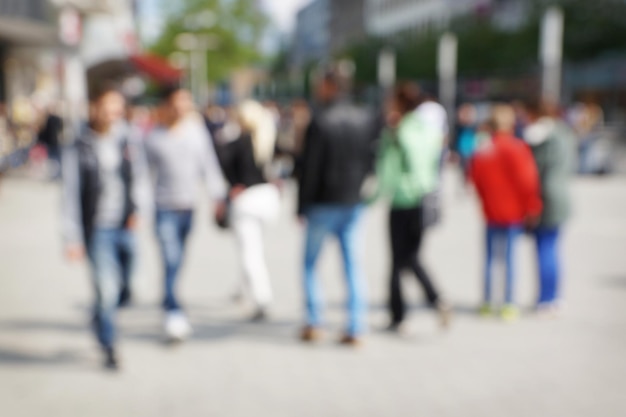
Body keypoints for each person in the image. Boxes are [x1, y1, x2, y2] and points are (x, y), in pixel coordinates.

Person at [62, 85, 142, 370]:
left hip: (124, 225)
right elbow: (70, 194)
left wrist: (138, 209)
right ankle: (109, 344)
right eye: (107, 107)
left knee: (127, 287)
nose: (112, 114)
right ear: (95, 108)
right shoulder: (79, 144)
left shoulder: (127, 139)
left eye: (117, 107)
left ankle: (100, 314)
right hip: (96, 229)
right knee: (106, 290)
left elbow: (139, 176)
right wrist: (71, 237)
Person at [297, 72, 377, 346]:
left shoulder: (320, 120)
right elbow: (371, 159)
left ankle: (314, 321)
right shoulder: (364, 117)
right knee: (353, 265)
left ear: (330, 86)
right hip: (353, 200)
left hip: (322, 201)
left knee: (309, 263)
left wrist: (300, 204)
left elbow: (310, 168)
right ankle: (356, 326)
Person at [145, 86, 227, 342]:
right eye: (177, 101)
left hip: (188, 207)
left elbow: (209, 166)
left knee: (178, 259)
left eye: (186, 101)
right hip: (163, 207)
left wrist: (217, 195)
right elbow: (142, 174)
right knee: (170, 258)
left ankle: (169, 295)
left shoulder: (197, 134)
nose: (182, 106)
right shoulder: (154, 137)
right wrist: (139, 205)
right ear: (167, 105)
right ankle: (174, 311)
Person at [373, 82, 451, 332]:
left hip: (402, 199)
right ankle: (435, 300)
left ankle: (400, 314)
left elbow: (388, 168)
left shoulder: (398, 130)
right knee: (412, 256)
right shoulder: (428, 129)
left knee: (398, 261)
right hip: (425, 197)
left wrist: (374, 196)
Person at [469, 104, 543, 321]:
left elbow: (476, 179)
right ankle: (509, 303)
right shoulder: (517, 148)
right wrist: (532, 206)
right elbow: (527, 181)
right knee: (510, 258)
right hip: (513, 212)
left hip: (491, 211)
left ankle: (487, 300)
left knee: (490, 258)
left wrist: (484, 201)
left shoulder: (484, 148)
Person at [213, 100, 281, 321]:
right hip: (267, 198)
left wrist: (234, 184)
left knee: (250, 252)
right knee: (254, 247)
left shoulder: (239, 141)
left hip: (247, 200)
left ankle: (263, 299)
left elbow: (221, 160)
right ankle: (241, 289)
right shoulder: (267, 139)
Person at [524, 100, 574, 315]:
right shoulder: (565, 133)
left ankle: (545, 298)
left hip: (545, 197)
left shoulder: (540, 135)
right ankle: (553, 296)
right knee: (552, 248)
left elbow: (534, 171)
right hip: (563, 194)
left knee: (544, 249)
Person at [37, 104, 64, 179]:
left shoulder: (50, 119)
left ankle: (55, 173)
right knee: (55, 158)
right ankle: (57, 173)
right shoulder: (57, 119)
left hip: (51, 141)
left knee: (53, 158)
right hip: (55, 141)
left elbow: (46, 131)